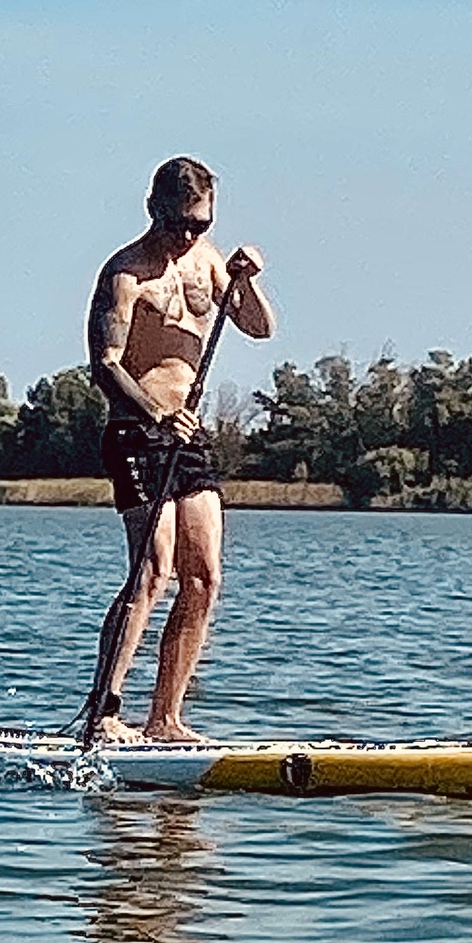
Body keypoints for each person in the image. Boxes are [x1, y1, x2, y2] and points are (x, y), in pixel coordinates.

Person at [84, 157, 273, 744]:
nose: (189, 236)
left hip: (190, 437)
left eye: (201, 224)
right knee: (151, 572)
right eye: (180, 224)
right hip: (138, 431)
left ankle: (165, 718)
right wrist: (156, 411)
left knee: (205, 577)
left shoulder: (208, 263)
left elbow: (259, 327)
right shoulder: (125, 274)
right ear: (153, 210)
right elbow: (104, 365)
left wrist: (244, 282)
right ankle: (104, 712)